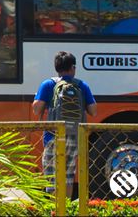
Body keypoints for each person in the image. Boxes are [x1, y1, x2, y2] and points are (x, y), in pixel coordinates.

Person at [32, 51, 98, 198]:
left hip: (53, 137)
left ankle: (55, 211)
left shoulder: (48, 84)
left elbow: (36, 110)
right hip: (74, 137)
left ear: (57, 67)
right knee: (68, 178)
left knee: (52, 178)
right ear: (72, 68)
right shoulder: (81, 85)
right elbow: (93, 111)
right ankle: (66, 210)